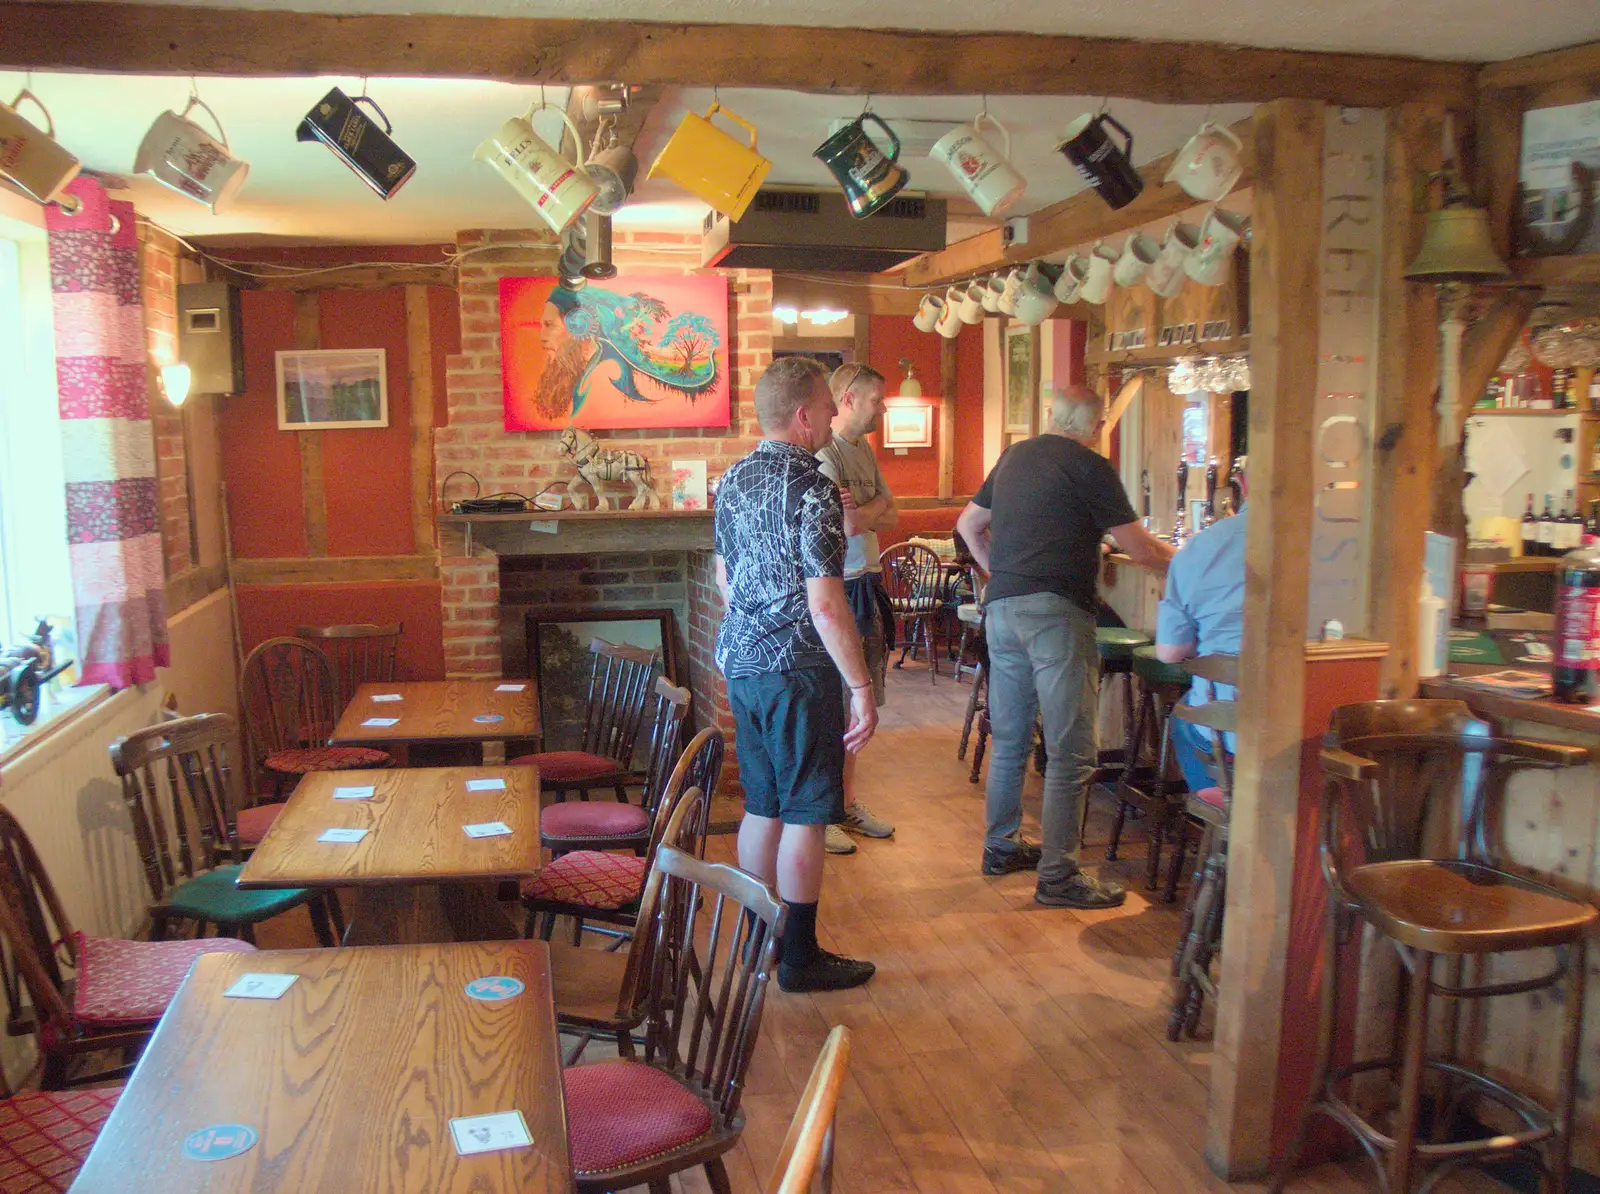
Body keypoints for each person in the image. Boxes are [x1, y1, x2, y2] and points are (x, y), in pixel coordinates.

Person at [955, 386, 1173, 909]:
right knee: (1071, 751)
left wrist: (1003, 573)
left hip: (1002, 611)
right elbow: (1138, 547)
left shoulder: (1013, 456)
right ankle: (1059, 877)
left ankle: (1001, 847)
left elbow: (967, 526)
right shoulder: (1089, 466)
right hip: (1056, 614)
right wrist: (1191, 563)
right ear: (1096, 423)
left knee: (1010, 740)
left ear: (1053, 415)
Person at [714, 355, 879, 992]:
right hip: (798, 671)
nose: (837, 413)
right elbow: (826, 602)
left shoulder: (732, 480)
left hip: (744, 665)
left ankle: (759, 943)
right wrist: (861, 687)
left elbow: (726, 582)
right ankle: (800, 960)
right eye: (828, 404)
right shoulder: (811, 488)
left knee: (763, 806)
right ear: (804, 415)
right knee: (808, 814)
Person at [815, 363, 898, 856]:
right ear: (848, 397)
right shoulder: (826, 454)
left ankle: (844, 805)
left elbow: (894, 508)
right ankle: (822, 811)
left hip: (865, 582)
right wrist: (872, 510)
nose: (882, 409)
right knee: (832, 703)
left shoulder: (862, 449)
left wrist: (867, 510)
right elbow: (847, 525)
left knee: (854, 706)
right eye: (876, 401)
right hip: (838, 587)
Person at [1154, 459, 1246, 791]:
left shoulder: (1202, 546)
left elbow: (1169, 652)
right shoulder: (1336, 543)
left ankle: (1221, 825)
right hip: (1316, 735)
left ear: (1242, 486)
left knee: (1183, 717)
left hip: (1232, 734)